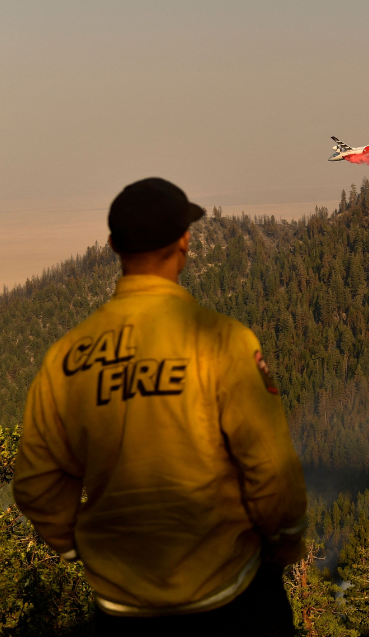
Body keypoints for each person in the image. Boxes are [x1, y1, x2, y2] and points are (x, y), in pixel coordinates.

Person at [12, 177, 307, 636]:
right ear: (185, 241)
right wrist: (283, 546)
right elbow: (271, 470)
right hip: (230, 596)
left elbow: (34, 483)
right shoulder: (224, 341)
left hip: (120, 607)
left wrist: (79, 549)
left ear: (113, 245)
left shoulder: (65, 359)